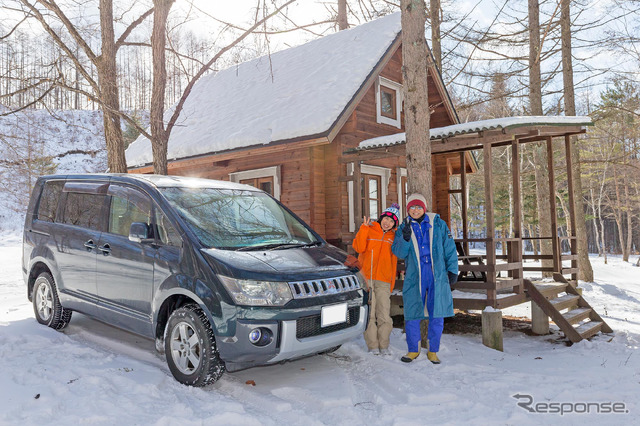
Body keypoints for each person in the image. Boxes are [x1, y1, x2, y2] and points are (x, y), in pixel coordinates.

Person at [391, 193, 458, 364]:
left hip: (437, 274)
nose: (415, 210)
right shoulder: (403, 227)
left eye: (418, 207)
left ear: (424, 208)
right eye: (412, 207)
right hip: (415, 275)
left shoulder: (438, 224)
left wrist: (453, 270)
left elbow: (449, 248)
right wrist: (405, 238)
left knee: (438, 311)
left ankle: (433, 350)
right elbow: (398, 252)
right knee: (412, 311)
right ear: (408, 209)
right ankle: (413, 350)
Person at [352, 203, 400, 355]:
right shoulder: (370, 229)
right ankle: (373, 346)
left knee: (384, 314)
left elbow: (394, 261)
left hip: (384, 281)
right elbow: (358, 248)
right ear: (381, 218)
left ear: (394, 225)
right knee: (370, 314)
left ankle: (384, 345)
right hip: (367, 279)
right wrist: (363, 228)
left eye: (392, 221)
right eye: (386, 218)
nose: (387, 222)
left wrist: (391, 283)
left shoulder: (394, 237)